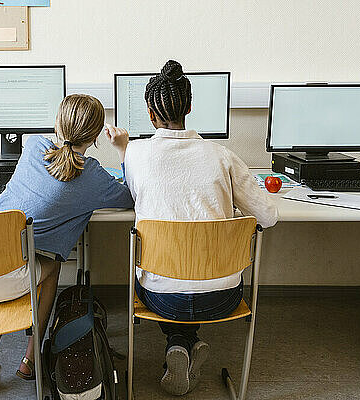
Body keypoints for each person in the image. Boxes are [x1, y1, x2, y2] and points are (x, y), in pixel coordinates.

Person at [106, 60, 278, 396]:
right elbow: (268, 217)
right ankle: (185, 341)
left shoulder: (136, 155)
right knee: (197, 273)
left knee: (170, 277)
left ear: (150, 115)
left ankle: (179, 341)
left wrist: (124, 149)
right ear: (190, 107)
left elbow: (134, 184)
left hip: (160, 300)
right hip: (223, 298)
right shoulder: (223, 156)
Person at [0, 94, 134, 400]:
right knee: (51, 269)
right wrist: (123, 149)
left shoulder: (32, 146)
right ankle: (31, 357)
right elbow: (129, 198)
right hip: (1, 279)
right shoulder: (92, 175)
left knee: (6, 263)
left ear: (57, 123)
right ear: (95, 137)